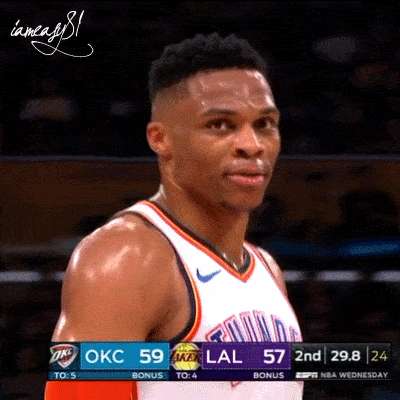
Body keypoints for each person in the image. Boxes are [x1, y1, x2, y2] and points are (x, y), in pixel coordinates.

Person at [45, 33, 303, 400]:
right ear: (160, 139)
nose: (252, 145)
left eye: (264, 124)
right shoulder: (127, 257)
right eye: (220, 125)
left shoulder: (266, 268)